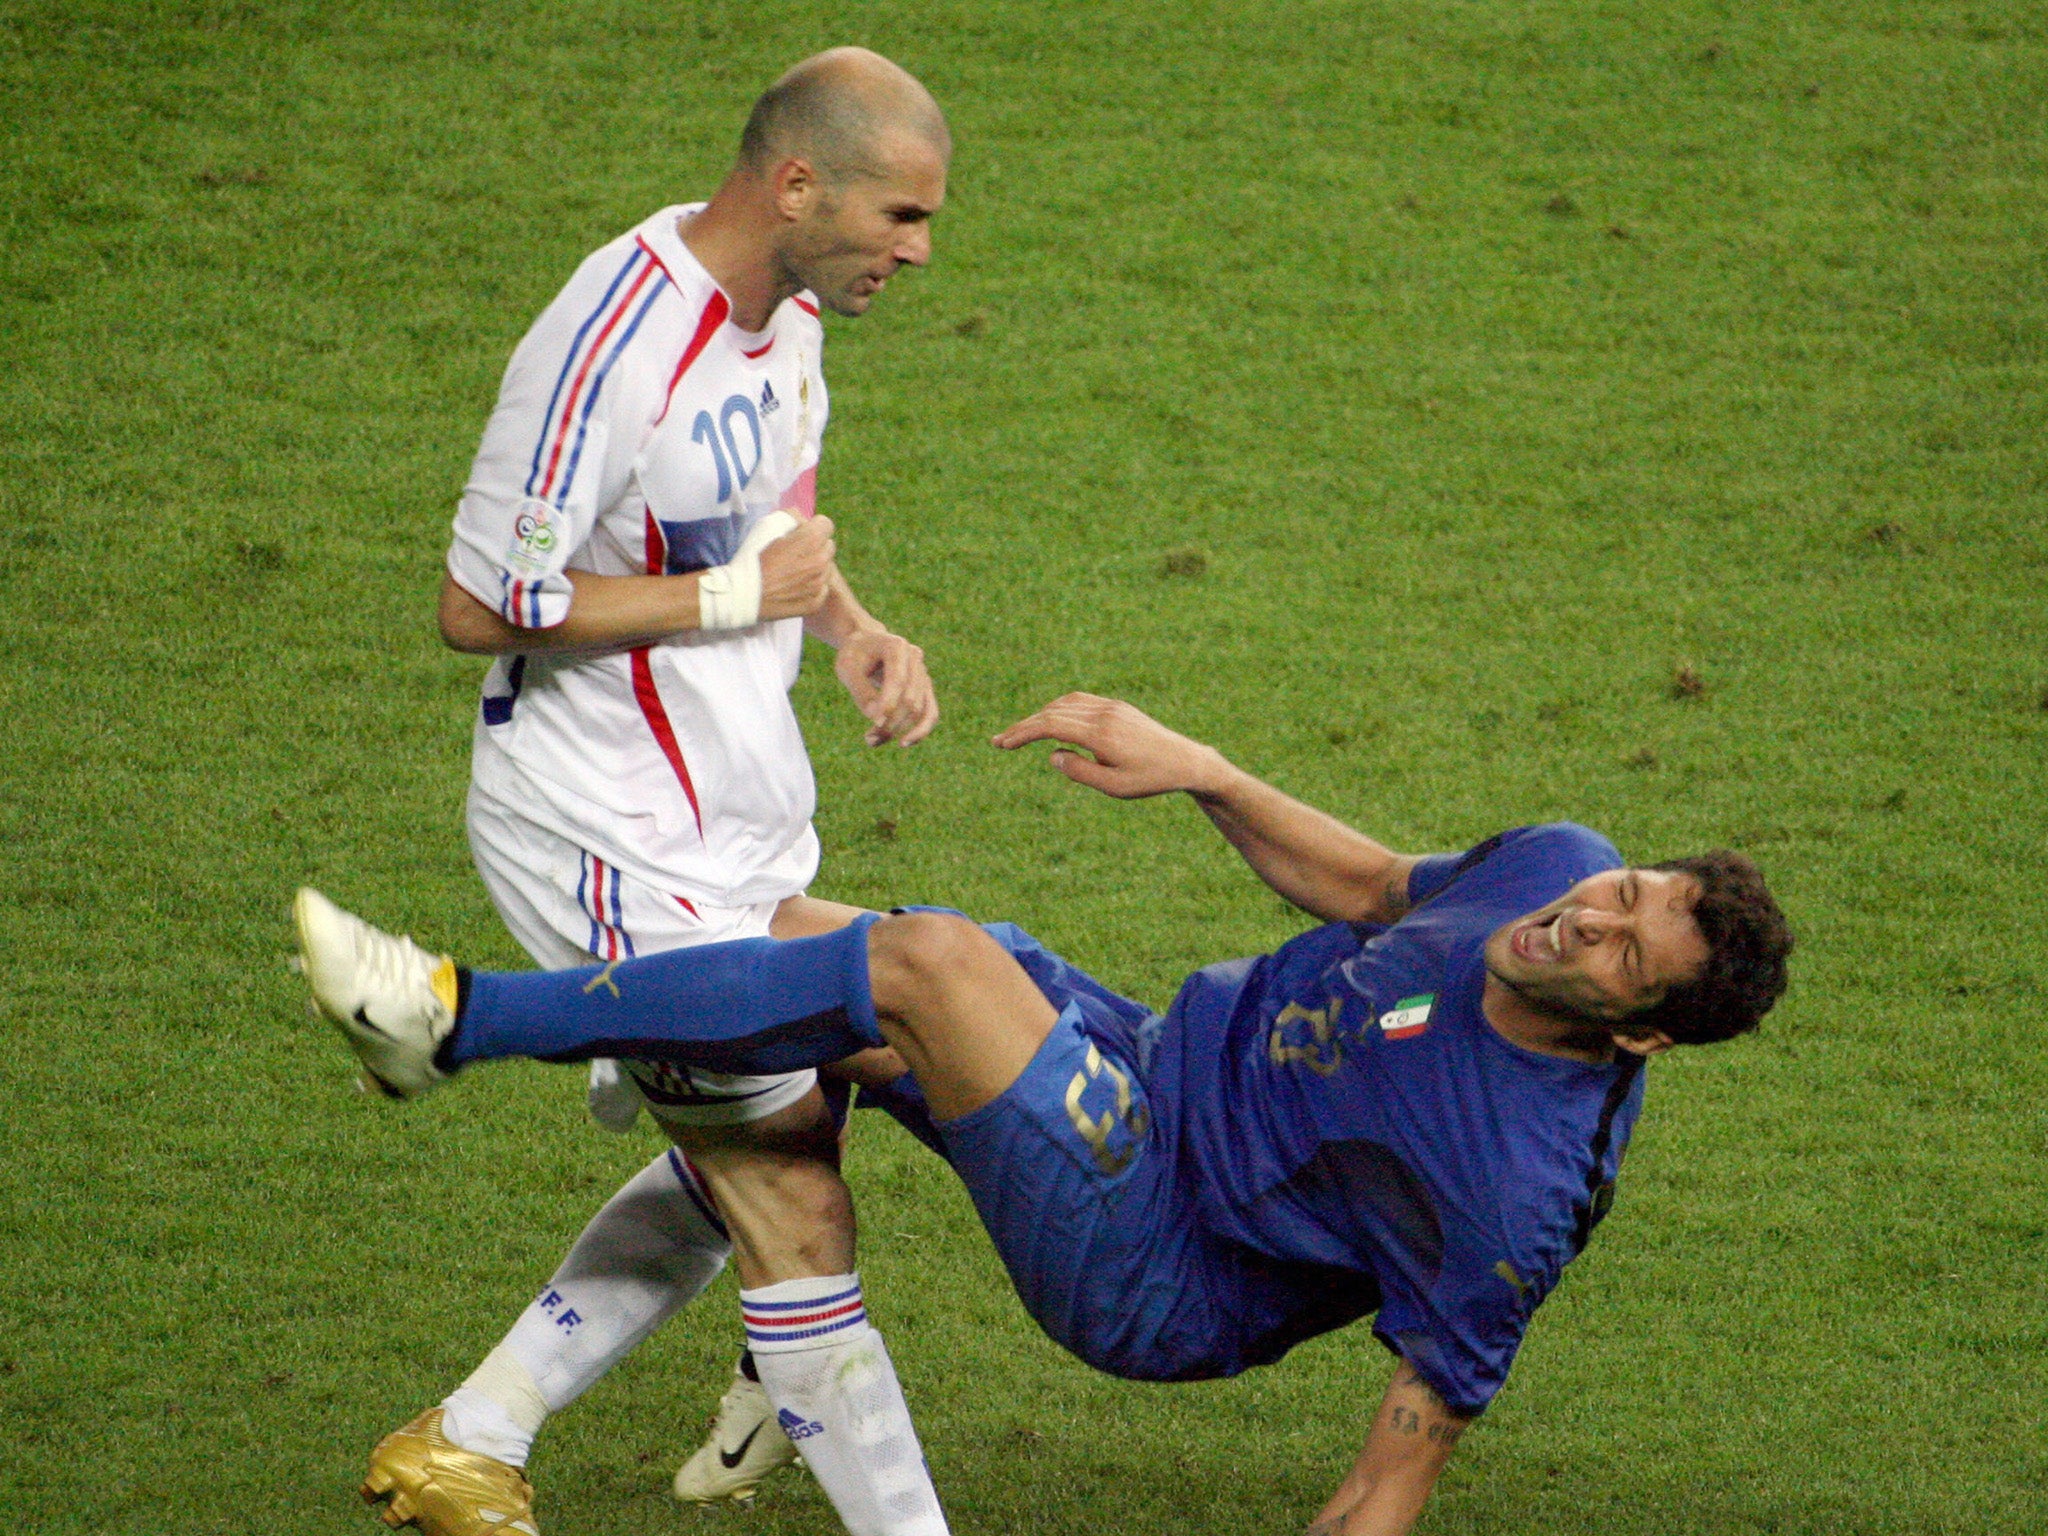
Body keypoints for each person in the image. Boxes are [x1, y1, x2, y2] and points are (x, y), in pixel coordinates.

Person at [297, 692, 1795, 1536]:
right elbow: (1377, 888)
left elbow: (1390, 1479)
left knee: (923, 963)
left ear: (1644, 1033)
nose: (1585, 919)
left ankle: (454, 1020)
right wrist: (1207, 770)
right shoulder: (1560, 867)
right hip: (1142, 1062)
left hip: (1156, 1262)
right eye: (1626, 889)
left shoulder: (1515, 1194)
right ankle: (541, 1410)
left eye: (1620, 949)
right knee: (790, 956)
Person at [371, 47, 957, 1536]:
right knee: (791, 1188)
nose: (918, 251)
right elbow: (477, 603)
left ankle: (477, 1432)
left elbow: (777, 523)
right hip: (603, 825)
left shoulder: (792, 321)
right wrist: (725, 603)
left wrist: (851, 628)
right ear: (796, 182)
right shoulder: (612, 337)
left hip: (740, 808)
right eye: (900, 215)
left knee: (810, 1091)